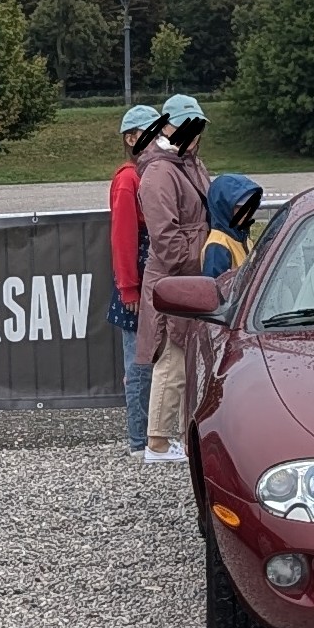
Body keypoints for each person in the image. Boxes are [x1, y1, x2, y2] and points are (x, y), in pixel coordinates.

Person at [136, 93, 212, 465]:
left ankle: (177, 437)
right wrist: (196, 264)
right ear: (167, 127)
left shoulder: (188, 164)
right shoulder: (159, 173)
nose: (194, 135)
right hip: (175, 278)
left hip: (190, 274)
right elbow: (164, 238)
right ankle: (159, 443)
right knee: (172, 356)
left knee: (184, 358)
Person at [107, 104, 160, 459]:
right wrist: (129, 288)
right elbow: (123, 238)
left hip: (147, 281)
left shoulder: (147, 175)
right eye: (151, 133)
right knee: (138, 364)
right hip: (137, 285)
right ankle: (138, 441)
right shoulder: (128, 179)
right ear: (132, 138)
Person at [201, 173, 263, 279]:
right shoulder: (218, 246)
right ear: (223, 207)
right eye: (240, 207)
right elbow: (216, 290)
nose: (247, 212)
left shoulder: (241, 234)